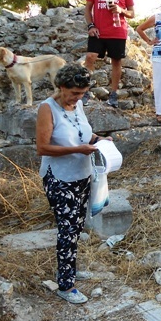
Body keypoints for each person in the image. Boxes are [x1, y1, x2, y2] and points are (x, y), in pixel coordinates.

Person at [36, 64, 109, 304]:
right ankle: (66, 286)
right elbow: (42, 147)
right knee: (67, 229)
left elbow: (84, 134)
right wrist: (78, 150)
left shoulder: (77, 106)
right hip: (59, 177)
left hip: (81, 175)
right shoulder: (47, 108)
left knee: (77, 226)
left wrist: (100, 139)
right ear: (61, 87)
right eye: (75, 93)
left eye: (83, 93)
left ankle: (69, 268)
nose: (79, 98)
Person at [84, 0, 135, 108]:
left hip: (117, 31)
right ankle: (84, 91)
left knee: (116, 61)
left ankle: (113, 94)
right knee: (90, 56)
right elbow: (87, 9)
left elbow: (132, 13)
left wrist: (121, 10)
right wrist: (90, 26)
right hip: (98, 31)